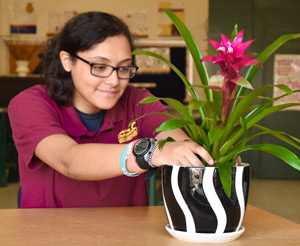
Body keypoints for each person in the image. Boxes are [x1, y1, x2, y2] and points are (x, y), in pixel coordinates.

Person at [8, 11, 214, 208]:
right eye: (99, 67)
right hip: (50, 234)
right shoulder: (30, 104)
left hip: (126, 233)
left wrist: (204, 155)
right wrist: (149, 152)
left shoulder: (137, 101)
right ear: (67, 60)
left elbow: (176, 143)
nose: (114, 81)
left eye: (123, 68)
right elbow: (68, 159)